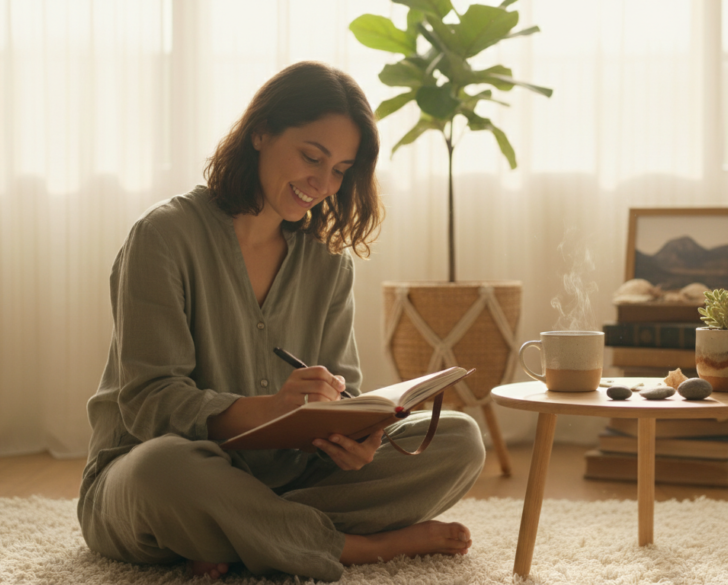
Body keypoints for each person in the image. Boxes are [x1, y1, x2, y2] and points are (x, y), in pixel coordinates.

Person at [77, 61, 486, 582]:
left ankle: (237, 532)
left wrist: (354, 437)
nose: (322, 182)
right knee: (164, 471)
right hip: (158, 476)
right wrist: (268, 410)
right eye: (312, 157)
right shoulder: (164, 236)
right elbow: (150, 403)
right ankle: (351, 547)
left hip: (288, 480)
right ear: (261, 132)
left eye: (340, 170)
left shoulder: (328, 260)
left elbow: (345, 391)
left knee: (458, 440)